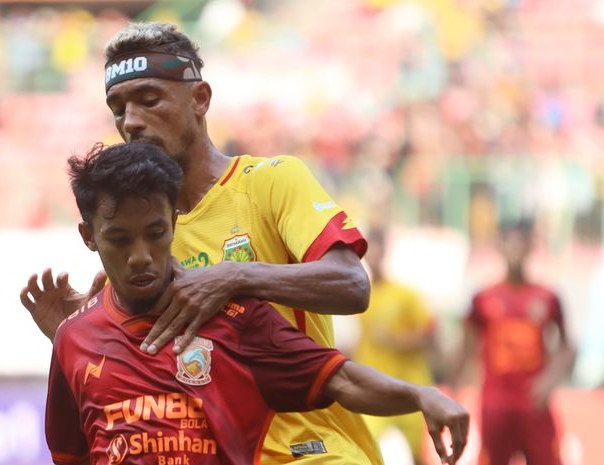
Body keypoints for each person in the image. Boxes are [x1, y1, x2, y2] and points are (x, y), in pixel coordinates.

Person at [21, 22, 383, 463]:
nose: (130, 121)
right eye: (117, 107)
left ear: (200, 99)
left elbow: (351, 284)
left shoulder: (270, 182)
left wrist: (233, 276)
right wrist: (79, 331)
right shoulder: (140, 244)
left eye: (149, 99)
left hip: (311, 453)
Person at [46, 141, 468, 465]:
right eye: (119, 239)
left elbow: (342, 380)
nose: (140, 255)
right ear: (89, 237)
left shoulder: (233, 318)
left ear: (174, 223)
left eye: (155, 233)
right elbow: (72, 454)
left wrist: (419, 396)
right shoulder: (72, 337)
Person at [450, 219, 575, 465]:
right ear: (500, 246)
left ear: (530, 246)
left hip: (534, 405)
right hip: (496, 406)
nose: (516, 248)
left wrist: (549, 380)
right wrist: (453, 395)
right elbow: (465, 347)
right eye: (510, 242)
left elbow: (567, 347)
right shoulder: (483, 298)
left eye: (522, 242)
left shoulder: (548, 297)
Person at [354, 229, 437, 465]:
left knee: (419, 456)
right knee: (365, 451)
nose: (373, 257)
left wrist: (396, 340)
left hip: (409, 385)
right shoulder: (359, 295)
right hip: (374, 387)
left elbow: (430, 336)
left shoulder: (405, 294)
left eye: (377, 250)